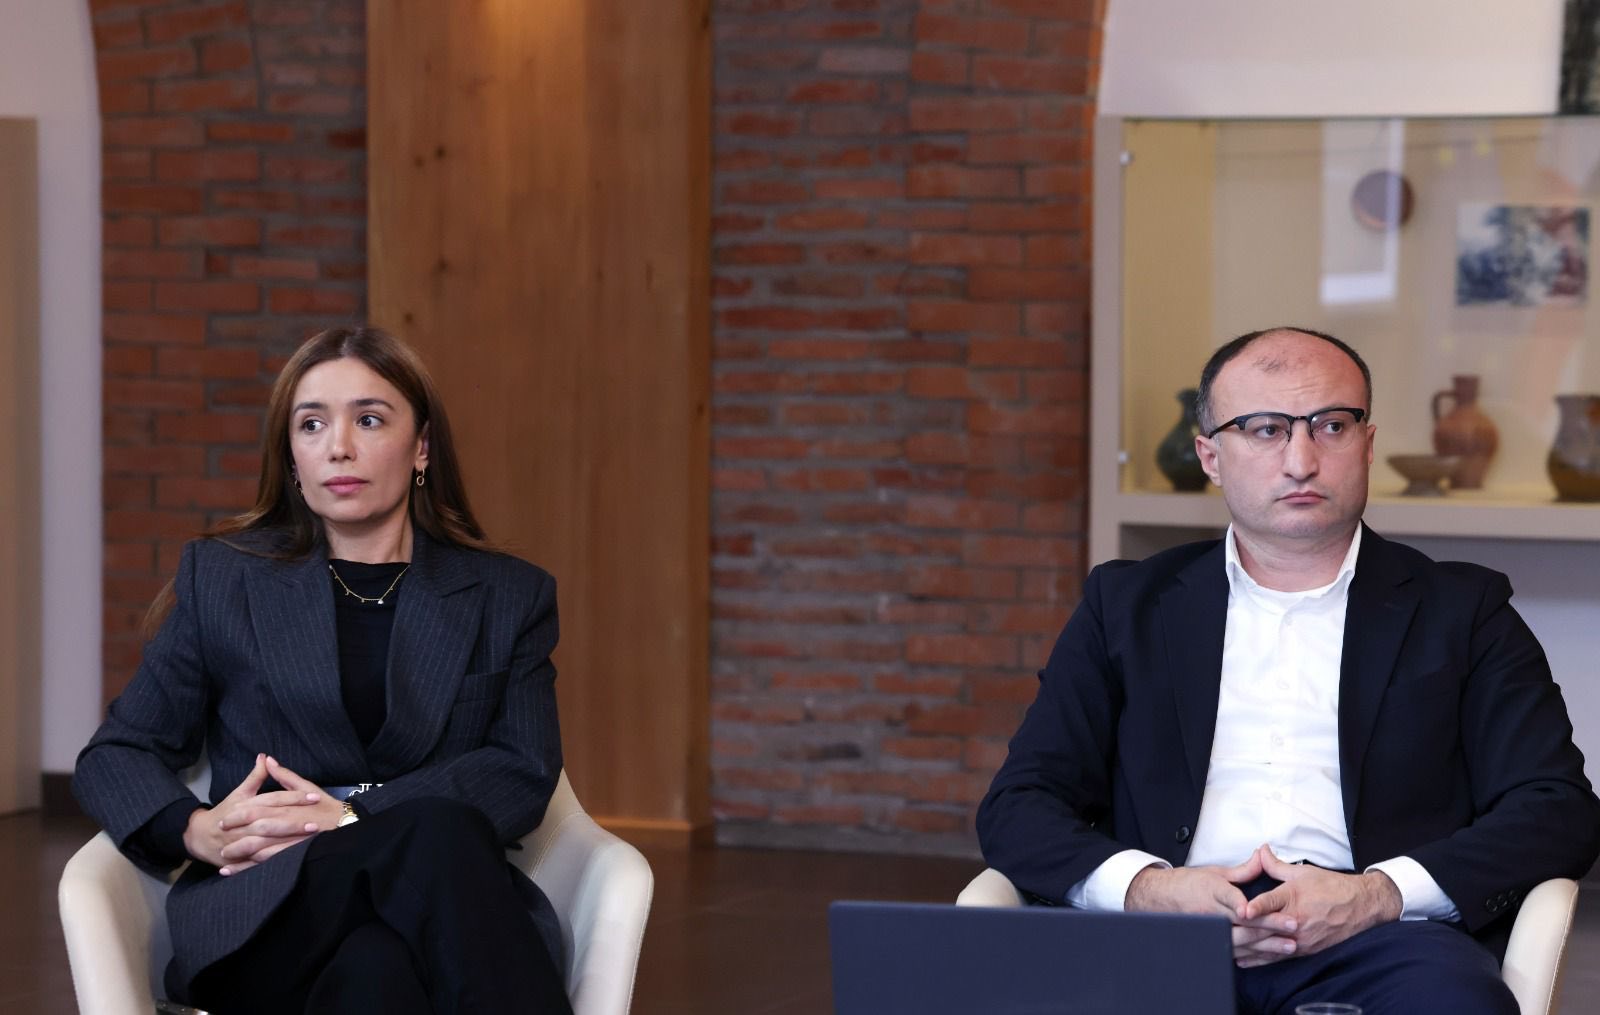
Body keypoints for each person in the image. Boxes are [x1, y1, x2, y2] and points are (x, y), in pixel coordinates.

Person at [976, 326, 1600, 1013]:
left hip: (1379, 939)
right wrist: (1150, 889)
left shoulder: (1463, 610)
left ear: (1367, 443)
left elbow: (1557, 808)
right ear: (1211, 456)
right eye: (1265, 429)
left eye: (1331, 426)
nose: (1301, 461)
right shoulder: (1125, 606)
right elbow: (1020, 804)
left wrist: (1377, 894)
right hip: (1158, 932)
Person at [73, 325, 573, 1014]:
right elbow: (117, 753)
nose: (339, 446)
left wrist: (353, 817)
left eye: (368, 419)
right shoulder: (224, 579)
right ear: (292, 457)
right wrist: (197, 828)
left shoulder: (507, 595)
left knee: (378, 972)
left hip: (437, 909)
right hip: (266, 911)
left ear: (422, 446)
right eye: (312, 424)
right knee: (437, 832)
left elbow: (522, 767)